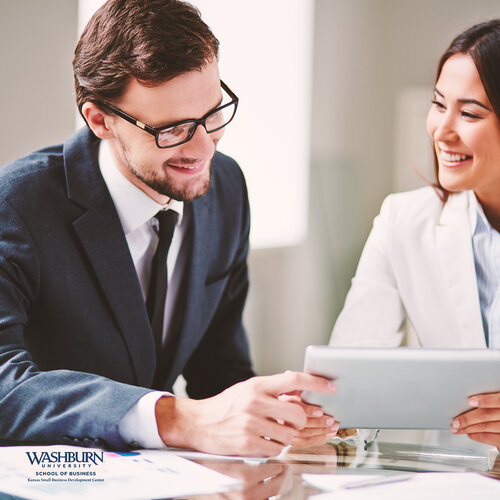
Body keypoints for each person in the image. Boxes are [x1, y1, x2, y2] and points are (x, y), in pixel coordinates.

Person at [0, 0, 339, 456]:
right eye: (173, 129)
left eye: (213, 113)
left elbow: (219, 369)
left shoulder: (227, 188)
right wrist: (172, 416)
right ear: (99, 119)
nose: (203, 149)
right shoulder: (18, 205)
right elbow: (5, 383)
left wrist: (275, 416)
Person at [330, 19, 500, 451]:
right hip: (452, 483)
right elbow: (351, 382)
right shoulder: (402, 221)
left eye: (470, 113)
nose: (442, 130)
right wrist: (334, 433)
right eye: (439, 104)